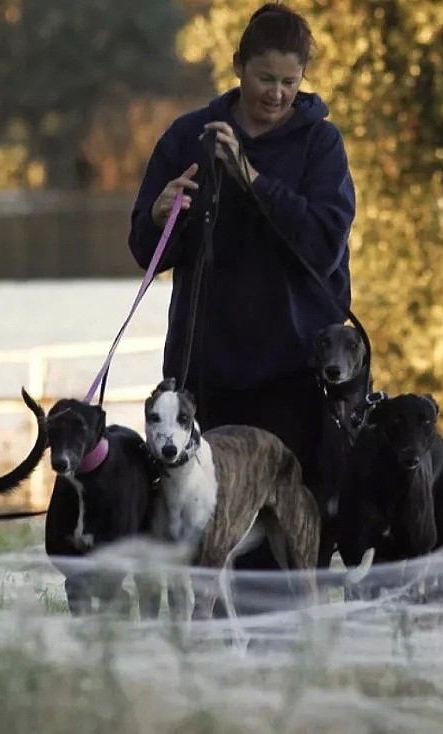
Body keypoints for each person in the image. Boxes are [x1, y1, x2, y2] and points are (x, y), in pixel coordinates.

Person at [128, 2, 356, 599]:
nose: (276, 94)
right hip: (205, 373)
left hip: (291, 372)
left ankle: (281, 667)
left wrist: (251, 180)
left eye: (289, 82)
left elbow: (323, 246)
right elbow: (144, 248)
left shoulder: (320, 146)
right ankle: (209, 662)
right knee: (200, 532)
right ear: (237, 68)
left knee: (286, 537)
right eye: (264, 79)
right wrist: (159, 217)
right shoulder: (187, 137)